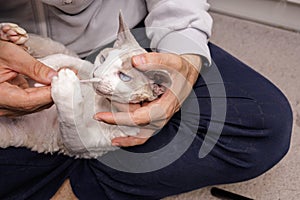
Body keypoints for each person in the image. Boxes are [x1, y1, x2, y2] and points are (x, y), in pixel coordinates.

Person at [0, 0, 293, 199]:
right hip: (16, 47)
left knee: (262, 124)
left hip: (129, 43)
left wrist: (184, 55)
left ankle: (70, 184)